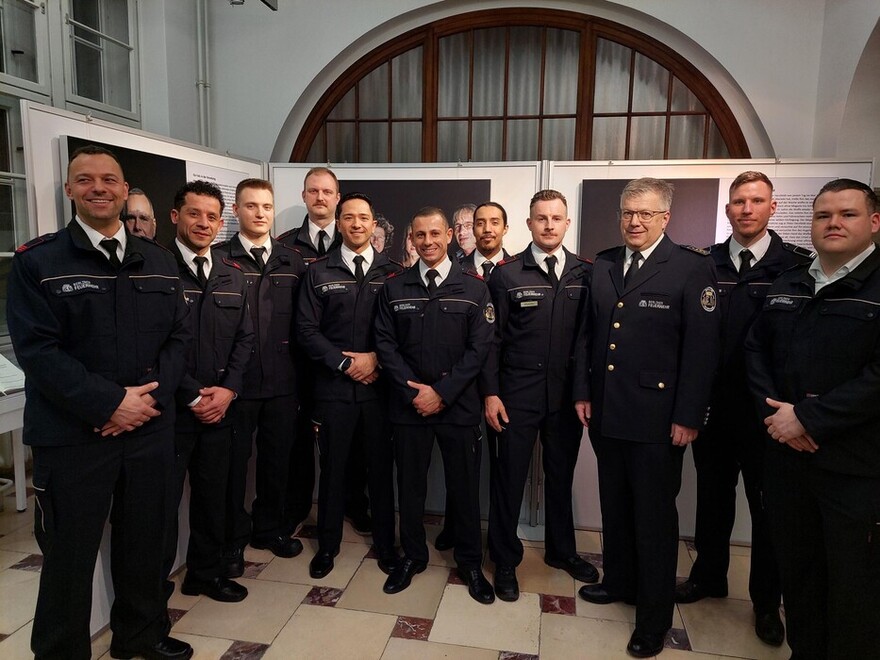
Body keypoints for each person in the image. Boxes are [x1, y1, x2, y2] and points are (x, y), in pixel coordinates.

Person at [8, 145, 193, 660]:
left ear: (124, 188)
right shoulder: (38, 262)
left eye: (109, 179)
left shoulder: (156, 260)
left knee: (146, 546)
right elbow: (38, 352)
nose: (98, 188)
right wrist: (111, 404)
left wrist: (144, 404)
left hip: (149, 432)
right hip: (74, 438)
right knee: (68, 558)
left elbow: (179, 339)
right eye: (85, 179)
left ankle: (141, 637)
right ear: (69, 190)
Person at [575, 177, 720, 658]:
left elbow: (701, 352)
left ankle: (653, 618)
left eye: (644, 213)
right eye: (627, 212)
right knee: (615, 505)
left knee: (655, 519)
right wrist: (584, 393)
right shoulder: (605, 263)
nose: (634, 221)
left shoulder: (689, 267)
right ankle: (619, 581)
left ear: (665, 218)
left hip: (659, 421)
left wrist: (688, 415)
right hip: (607, 411)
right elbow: (589, 337)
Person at [744, 178, 880, 659]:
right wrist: (781, 419)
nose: (834, 224)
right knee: (798, 572)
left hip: (852, 466)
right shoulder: (793, 281)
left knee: (853, 584)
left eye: (847, 214)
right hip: (788, 460)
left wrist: (809, 419)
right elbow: (756, 350)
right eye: (823, 216)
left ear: (874, 222)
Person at [676, 171, 811, 646]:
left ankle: (765, 602)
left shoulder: (795, 267)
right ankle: (709, 576)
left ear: (773, 208)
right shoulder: (704, 264)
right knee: (713, 500)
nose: (746, 209)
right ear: (728, 209)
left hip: (768, 413)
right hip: (714, 406)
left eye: (756, 201)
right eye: (738, 202)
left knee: (767, 509)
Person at [374, 207, 496, 604]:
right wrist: (416, 393)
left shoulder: (475, 288)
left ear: (448, 236)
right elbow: (385, 346)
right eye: (420, 235)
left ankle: (470, 562)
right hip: (409, 407)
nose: (427, 242)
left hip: (458, 408)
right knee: (409, 487)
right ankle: (412, 556)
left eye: (435, 234)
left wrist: (441, 392)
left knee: (464, 489)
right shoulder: (394, 288)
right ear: (411, 239)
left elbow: (480, 350)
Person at [483, 190, 596, 602]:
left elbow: (588, 340)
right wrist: (491, 393)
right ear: (529, 224)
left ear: (567, 224)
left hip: (566, 396)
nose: (549, 225)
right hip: (516, 394)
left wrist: (584, 392)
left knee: (560, 476)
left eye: (556, 218)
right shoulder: (507, 274)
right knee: (508, 479)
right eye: (541, 218)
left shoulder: (586, 272)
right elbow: (491, 342)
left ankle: (562, 552)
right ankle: (505, 559)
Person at [297, 193, 402, 578]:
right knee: (333, 470)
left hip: (379, 389)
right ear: (338, 223)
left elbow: (402, 332)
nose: (357, 224)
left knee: (379, 470)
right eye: (349, 218)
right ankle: (327, 546)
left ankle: (387, 547)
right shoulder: (318, 271)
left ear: (375, 224)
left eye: (364, 217)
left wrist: (376, 358)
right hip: (334, 390)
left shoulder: (393, 272)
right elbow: (306, 331)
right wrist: (344, 363)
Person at [165, 180, 254, 604]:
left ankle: (206, 572)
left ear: (221, 223)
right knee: (161, 506)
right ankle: (151, 589)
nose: (203, 223)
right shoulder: (157, 269)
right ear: (175, 217)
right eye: (194, 213)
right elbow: (154, 347)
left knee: (213, 497)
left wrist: (228, 391)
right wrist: (192, 395)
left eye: (211, 217)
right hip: (172, 412)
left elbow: (245, 340)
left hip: (220, 408)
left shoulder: (231, 275)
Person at [215, 178, 307, 576]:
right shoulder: (220, 258)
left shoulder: (293, 260)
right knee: (234, 467)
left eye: (266, 207)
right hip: (237, 384)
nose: (260, 213)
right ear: (237, 211)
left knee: (277, 463)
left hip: (284, 383)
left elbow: (306, 324)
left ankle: (269, 528)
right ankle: (232, 540)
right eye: (251, 206)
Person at [278, 167, 372, 537]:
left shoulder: (355, 239)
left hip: (348, 369)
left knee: (355, 446)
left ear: (337, 197)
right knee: (300, 443)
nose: (320, 197)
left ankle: (355, 505)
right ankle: (299, 508)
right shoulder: (284, 245)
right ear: (304, 196)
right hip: (299, 363)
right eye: (313, 191)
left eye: (328, 192)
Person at [435, 201, 511, 552]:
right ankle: (455, 528)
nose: (485, 229)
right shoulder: (455, 269)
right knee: (462, 466)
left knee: (503, 468)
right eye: (479, 223)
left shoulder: (517, 268)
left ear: (506, 228)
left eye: (494, 222)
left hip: (506, 385)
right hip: (462, 383)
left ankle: (497, 540)